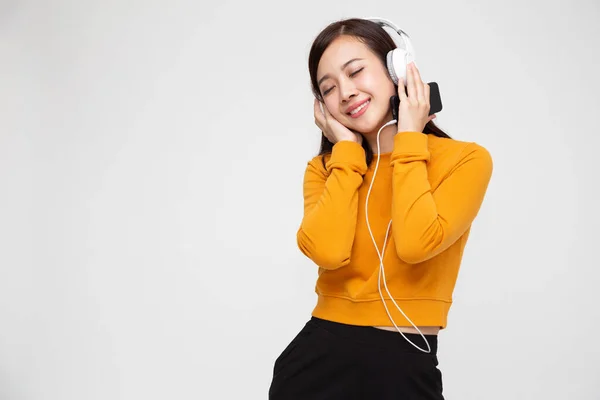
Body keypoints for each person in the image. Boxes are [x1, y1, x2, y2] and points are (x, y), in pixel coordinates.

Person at [269, 17, 492, 400]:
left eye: (356, 72)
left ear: (398, 69)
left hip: (403, 366)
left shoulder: (465, 160)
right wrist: (347, 153)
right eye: (329, 88)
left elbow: (416, 243)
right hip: (314, 364)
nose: (346, 93)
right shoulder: (328, 170)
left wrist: (407, 138)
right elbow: (328, 251)